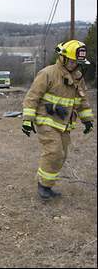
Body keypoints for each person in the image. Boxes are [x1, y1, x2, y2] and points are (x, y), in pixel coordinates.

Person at [22, 40, 94, 200]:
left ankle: (47, 186)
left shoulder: (77, 78)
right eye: (72, 61)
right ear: (63, 58)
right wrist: (27, 120)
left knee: (62, 155)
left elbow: (82, 101)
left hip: (64, 124)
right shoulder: (48, 73)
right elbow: (32, 97)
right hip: (46, 120)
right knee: (54, 152)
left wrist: (87, 119)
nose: (74, 65)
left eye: (77, 62)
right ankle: (42, 187)